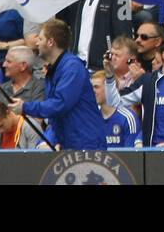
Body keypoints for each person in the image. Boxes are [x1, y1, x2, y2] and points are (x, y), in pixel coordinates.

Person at [9, 18, 107, 150]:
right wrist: (48, 140)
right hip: (71, 144)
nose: (37, 43)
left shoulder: (72, 67)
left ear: (50, 42)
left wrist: (25, 107)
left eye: (40, 39)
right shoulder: (54, 70)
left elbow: (60, 104)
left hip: (86, 144)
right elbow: (56, 118)